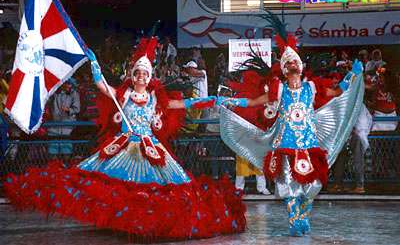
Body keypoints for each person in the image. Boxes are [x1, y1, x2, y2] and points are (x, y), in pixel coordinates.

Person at [4, 36, 245, 240]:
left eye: (145, 74)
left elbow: (184, 103)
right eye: (138, 73)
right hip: (123, 148)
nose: (141, 77)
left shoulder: (155, 99)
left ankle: (146, 225)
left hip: (150, 149)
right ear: (133, 75)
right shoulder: (124, 94)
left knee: (155, 190)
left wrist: (215, 100)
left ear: (150, 77)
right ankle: (122, 223)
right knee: (110, 187)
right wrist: (95, 64)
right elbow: (102, 87)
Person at [218, 42, 364, 236]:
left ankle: (303, 213)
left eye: (296, 61)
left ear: (301, 67)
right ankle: (295, 218)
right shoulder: (278, 90)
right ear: (285, 70)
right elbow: (254, 102)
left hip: (309, 145)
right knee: (288, 184)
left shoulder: (311, 88)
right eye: (289, 62)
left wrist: (352, 76)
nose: (293, 64)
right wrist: (230, 101)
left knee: (314, 185)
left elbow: (336, 93)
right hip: (285, 146)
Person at [47, 78, 80, 155]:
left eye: (70, 84)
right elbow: (47, 103)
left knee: (66, 148)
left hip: (67, 126)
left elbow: (77, 109)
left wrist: (69, 110)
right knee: (53, 148)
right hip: (54, 126)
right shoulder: (54, 93)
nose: (68, 86)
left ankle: (65, 165)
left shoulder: (74, 94)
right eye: (67, 84)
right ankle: (53, 164)